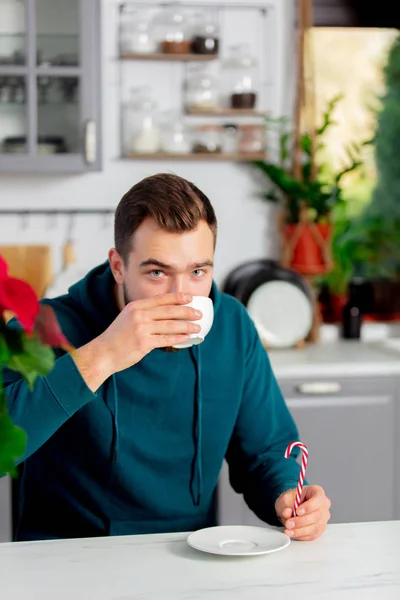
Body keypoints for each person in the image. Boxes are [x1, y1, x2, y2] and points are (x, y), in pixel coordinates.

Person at [3, 173, 331, 542]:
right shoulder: (43, 327)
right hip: (68, 560)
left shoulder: (232, 327)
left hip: (190, 554)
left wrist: (286, 495)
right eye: (157, 272)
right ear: (118, 266)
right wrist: (104, 355)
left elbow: (266, 451)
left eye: (197, 272)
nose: (181, 296)